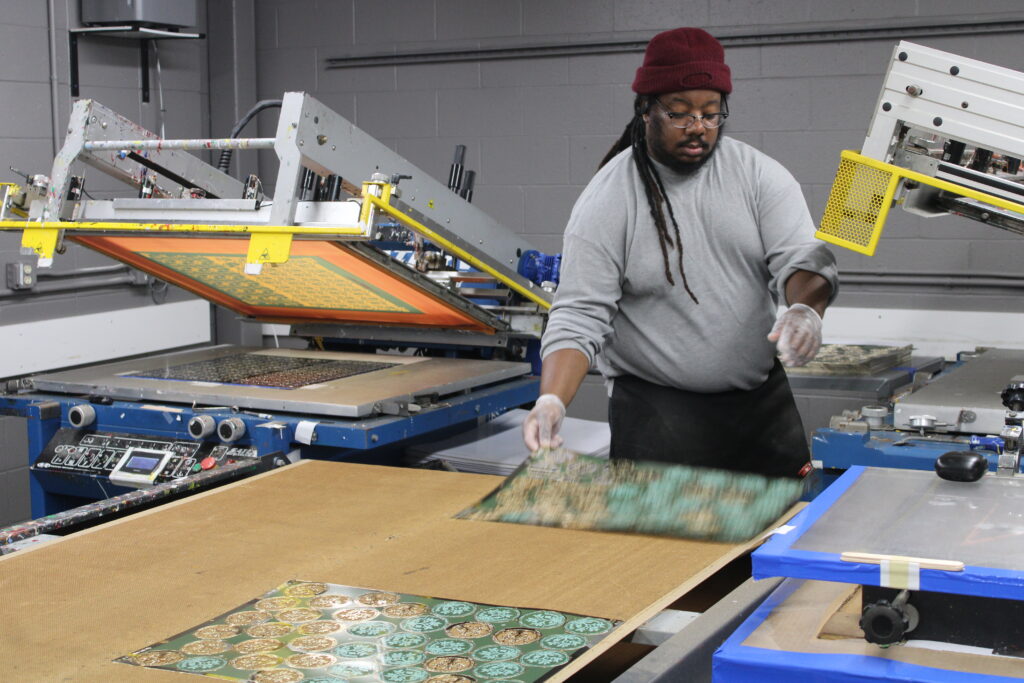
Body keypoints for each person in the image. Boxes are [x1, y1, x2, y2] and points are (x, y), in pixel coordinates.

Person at [522, 27, 838, 478]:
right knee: (664, 550)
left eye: (711, 114)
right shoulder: (610, 198)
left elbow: (804, 260)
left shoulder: (758, 177)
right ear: (646, 111)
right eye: (680, 113)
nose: (697, 128)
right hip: (657, 420)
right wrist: (552, 399)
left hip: (759, 412)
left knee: (776, 538)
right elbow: (578, 314)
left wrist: (805, 309)